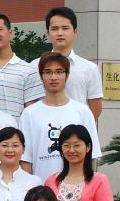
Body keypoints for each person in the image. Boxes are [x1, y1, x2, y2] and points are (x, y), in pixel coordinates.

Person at [21, 52, 102, 181]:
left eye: (59, 72)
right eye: (48, 72)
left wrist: (87, 186)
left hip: (76, 188)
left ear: (67, 75)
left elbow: (91, 155)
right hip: (41, 188)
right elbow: (25, 159)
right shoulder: (29, 114)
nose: (53, 77)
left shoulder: (82, 111)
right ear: (41, 76)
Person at [35, 6, 102, 118]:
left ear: (75, 32)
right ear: (48, 33)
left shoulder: (90, 69)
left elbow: (96, 108)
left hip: (77, 127)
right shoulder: (34, 66)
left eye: (65, 28)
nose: (60, 33)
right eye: (54, 29)